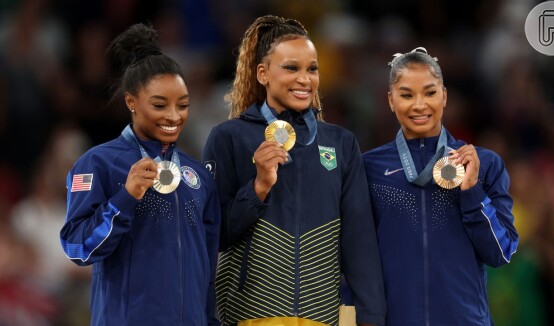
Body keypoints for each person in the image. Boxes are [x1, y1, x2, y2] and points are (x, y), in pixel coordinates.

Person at [203, 15, 385, 326]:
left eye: (311, 69)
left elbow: (359, 240)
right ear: (263, 73)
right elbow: (212, 236)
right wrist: (258, 186)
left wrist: (371, 316)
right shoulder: (229, 138)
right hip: (250, 315)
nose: (305, 79)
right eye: (291, 68)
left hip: (321, 316)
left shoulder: (341, 144)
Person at [59, 23, 220, 326]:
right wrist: (124, 198)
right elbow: (77, 247)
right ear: (131, 101)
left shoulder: (197, 175)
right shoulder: (98, 163)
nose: (173, 116)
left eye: (182, 105)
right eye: (160, 104)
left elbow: (207, 267)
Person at [363, 47, 519, 325]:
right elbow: (355, 255)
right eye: (407, 95)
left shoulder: (483, 164)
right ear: (390, 100)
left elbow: (500, 252)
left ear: (444, 96)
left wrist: (472, 191)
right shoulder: (369, 168)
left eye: (430, 92)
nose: (419, 105)